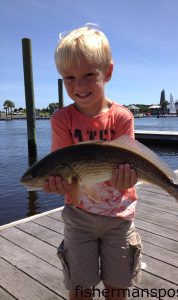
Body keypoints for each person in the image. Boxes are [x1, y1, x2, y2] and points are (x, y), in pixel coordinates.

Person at [44, 26, 142, 300]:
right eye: (69, 77)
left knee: (118, 287)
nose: (79, 85)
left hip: (119, 218)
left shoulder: (122, 117)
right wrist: (55, 184)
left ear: (107, 73)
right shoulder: (61, 119)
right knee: (80, 288)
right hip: (79, 218)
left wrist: (129, 178)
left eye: (89, 74)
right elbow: (63, 169)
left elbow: (130, 168)